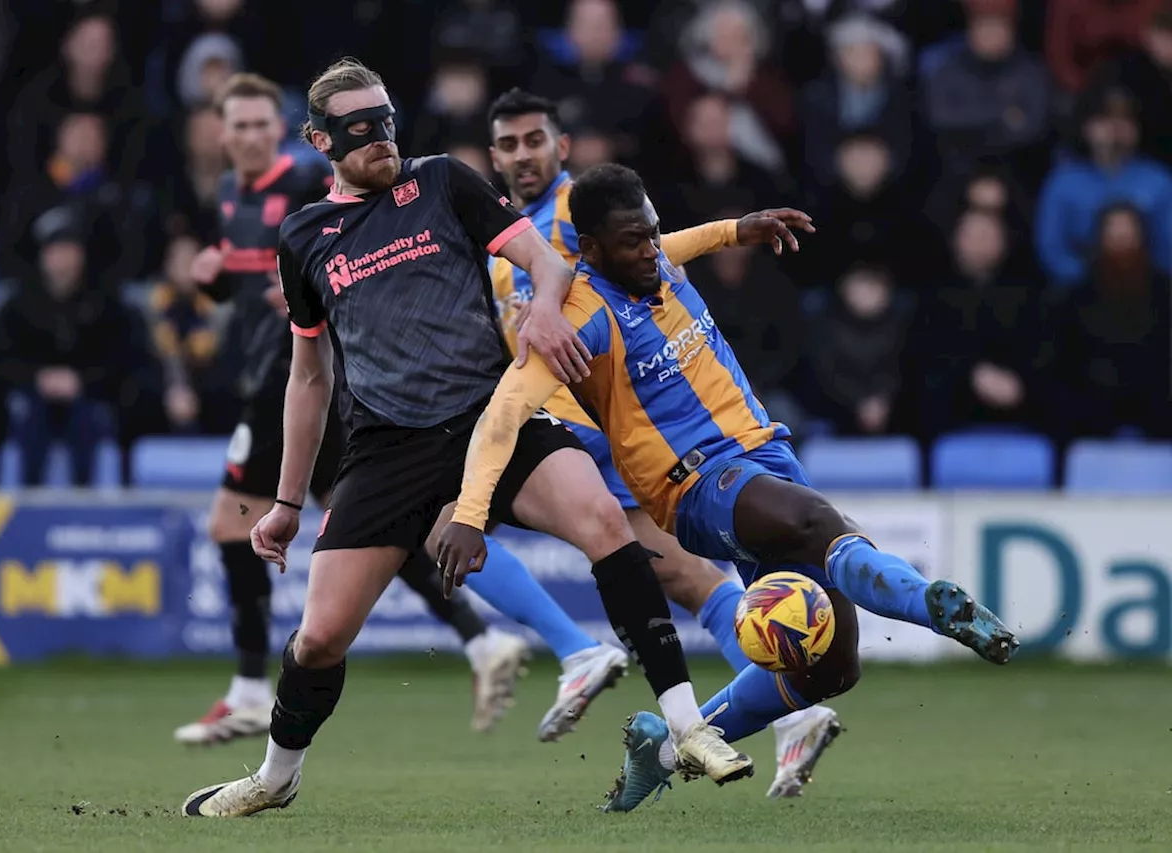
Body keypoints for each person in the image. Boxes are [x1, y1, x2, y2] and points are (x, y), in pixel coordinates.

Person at [182, 59, 748, 818]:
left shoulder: (444, 181)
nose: (379, 138)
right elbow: (309, 376)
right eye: (357, 129)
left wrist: (546, 311)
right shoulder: (305, 236)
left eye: (385, 119)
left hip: (494, 418)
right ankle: (277, 777)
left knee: (603, 520)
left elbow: (545, 260)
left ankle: (688, 723)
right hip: (385, 448)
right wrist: (286, 501)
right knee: (318, 640)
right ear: (320, 140)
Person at [437, 163, 1020, 811]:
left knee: (832, 667)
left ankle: (659, 752)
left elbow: (678, 244)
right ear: (592, 251)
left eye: (654, 232)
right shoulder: (580, 319)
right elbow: (502, 415)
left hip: (765, 455)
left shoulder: (655, 260)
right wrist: (469, 511)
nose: (652, 249)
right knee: (813, 524)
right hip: (693, 485)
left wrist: (735, 231)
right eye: (634, 241)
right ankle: (937, 605)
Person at [482, 87, 840, 795]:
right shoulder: (504, 241)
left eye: (534, 140)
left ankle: (575, 649)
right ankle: (788, 705)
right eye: (508, 144)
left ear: (563, 147)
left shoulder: (573, 219)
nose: (522, 155)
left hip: (603, 433)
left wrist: (730, 230)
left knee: (446, 515)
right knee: (684, 578)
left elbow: (640, 271)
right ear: (492, 156)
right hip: (581, 434)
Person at [174, 72, 531, 745]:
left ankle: (252, 687)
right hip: (283, 377)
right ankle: (481, 640)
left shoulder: (299, 193)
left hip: (309, 376)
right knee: (384, 528)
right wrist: (220, 280)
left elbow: (333, 268)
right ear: (221, 134)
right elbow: (262, 288)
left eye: (261, 124)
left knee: (232, 522)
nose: (251, 136)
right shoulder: (230, 195)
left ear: (290, 135)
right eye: (239, 125)